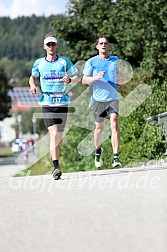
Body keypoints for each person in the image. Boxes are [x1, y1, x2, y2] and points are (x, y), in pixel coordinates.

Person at [29, 33, 78, 179]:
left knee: (59, 138)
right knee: (54, 134)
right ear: (44, 47)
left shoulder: (64, 61)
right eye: (48, 44)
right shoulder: (39, 63)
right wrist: (32, 85)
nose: (51, 47)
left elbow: (76, 77)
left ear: (57, 46)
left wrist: (69, 79)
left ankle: (54, 158)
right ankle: (56, 168)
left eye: (53, 44)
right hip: (47, 101)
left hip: (62, 102)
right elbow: (33, 76)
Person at [82, 35, 123, 168]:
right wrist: (96, 78)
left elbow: (117, 74)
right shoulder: (91, 62)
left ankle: (116, 157)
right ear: (97, 46)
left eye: (105, 43)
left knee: (114, 123)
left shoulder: (114, 60)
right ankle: (98, 150)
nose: (103, 45)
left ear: (108, 46)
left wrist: (120, 81)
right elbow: (84, 81)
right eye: (101, 43)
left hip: (112, 98)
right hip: (98, 99)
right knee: (99, 128)